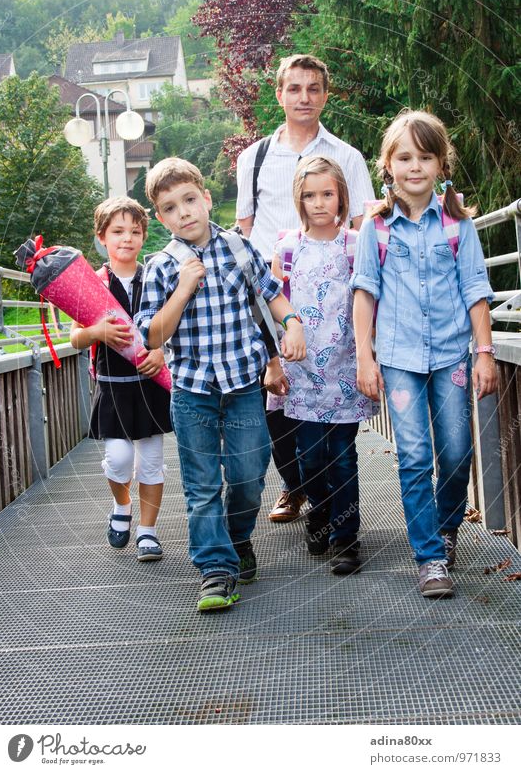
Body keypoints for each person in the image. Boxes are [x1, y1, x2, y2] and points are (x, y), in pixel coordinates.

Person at [135, 157, 306, 612]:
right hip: (192, 392)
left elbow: (270, 293)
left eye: (190, 200)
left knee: (250, 476)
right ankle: (216, 569)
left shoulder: (238, 247)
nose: (184, 212)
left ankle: (236, 537)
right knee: (202, 484)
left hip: (243, 387)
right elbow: (151, 336)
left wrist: (291, 323)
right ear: (161, 217)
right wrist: (183, 289)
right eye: (170, 208)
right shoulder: (162, 266)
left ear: (206, 198)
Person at [351, 109, 497, 598]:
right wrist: (365, 358)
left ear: (440, 164)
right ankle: (430, 556)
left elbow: (476, 289)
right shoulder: (378, 227)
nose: (415, 167)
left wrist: (484, 352)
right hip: (398, 358)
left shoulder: (457, 226)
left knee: (456, 454)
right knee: (414, 455)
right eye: (405, 157)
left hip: (453, 354)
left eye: (426, 157)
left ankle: (447, 523)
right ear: (388, 164)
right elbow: (364, 292)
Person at [236, 53, 375, 524]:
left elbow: (364, 231)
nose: (304, 97)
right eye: (294, 88)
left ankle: (323, 504)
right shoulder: (252, 158)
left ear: (325, 96)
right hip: (267, 298)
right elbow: (244, 229)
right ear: (279, 94)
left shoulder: (348, 158)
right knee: (274, 400)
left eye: (314, 88)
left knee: (326, 420)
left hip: (331, 301)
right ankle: (296, 486)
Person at [265, 156, 377, 573]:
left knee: (343, 456)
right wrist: (275, 362)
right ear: (299, 200)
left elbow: (368, 300)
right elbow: (273, 307)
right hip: (303, 375)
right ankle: (321, 511)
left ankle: (347, 539)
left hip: (346, 371)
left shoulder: (354, 244)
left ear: (341, 197)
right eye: (310, 195)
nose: (318, 203)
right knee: (309, 456)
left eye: (327, 194)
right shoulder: (288, 248)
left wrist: (370, 359)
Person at [70, 196, 171, 562]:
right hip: (112, 388)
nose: (126, 238)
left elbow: (171, 327)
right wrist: (96, 330)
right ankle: (122, 504)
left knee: (150, 463)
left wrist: (161, 351)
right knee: (118, 459)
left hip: (150, 385)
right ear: (101, 237)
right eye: (117, 231)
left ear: (144, 236)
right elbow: (75, 337)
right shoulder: (93, 282)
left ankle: (148, 531)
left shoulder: (156, 277)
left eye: (135, 231)